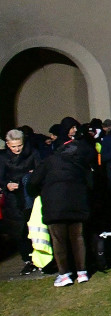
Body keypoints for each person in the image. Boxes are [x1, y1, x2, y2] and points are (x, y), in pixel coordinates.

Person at [28, 119, 92, 286]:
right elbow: (89, 182)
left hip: (54, 206)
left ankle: (64, 274)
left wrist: (39, 193)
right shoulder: (78, 162)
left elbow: (32, 183)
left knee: (59, 240)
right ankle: (82, 272)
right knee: (78, 238)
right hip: (77, 204)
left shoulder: (48, 162)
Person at [0, 128, 41, 274]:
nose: (17, 149)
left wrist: (32, 176)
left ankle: (39, 256)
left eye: (19, 145)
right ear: (8, 144)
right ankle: (28, 259)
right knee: (19, 229)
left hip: (30, 194)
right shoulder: (3, 157)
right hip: (13, 199)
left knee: (34, 227)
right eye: (13, 146)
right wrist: (7, 185)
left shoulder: (33, 153)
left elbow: (40, 170)